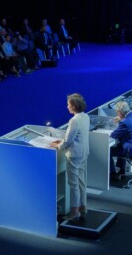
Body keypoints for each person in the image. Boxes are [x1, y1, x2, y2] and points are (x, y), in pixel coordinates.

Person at [50, 93, 90, 221]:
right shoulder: (85, 116)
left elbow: (68, 140)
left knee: (73, 184)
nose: (67, 106)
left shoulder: (74, 120)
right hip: (84, 153)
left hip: (74, 156)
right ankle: (83, 208)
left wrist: (58, 146)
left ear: (73, 106)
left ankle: (74, 212)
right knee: (82, 182)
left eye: (68, 104)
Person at [109, 101, 132, 179]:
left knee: (108, 151)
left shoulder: (124, 122)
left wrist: (122, 120)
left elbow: (114, 135)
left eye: (117, 113)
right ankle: (121, 170)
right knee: (121, 144)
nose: (117, 114)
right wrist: (122, 118)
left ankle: (112, 174)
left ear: (120, 112)